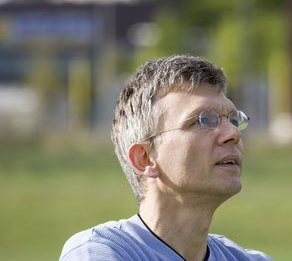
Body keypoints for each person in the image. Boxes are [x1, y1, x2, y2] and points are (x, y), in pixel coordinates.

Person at [59, 55, 272, 261]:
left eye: (234, 120)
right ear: (144, 158)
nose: (233, 134)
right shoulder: (98, 252)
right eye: (204, 120)